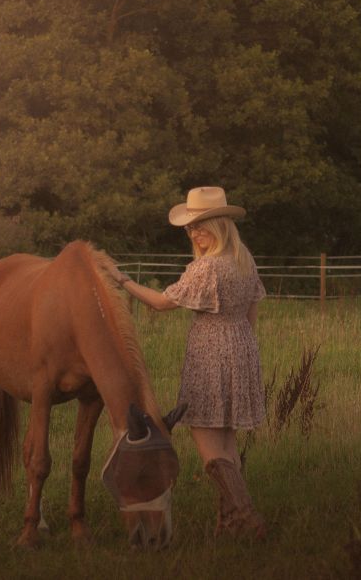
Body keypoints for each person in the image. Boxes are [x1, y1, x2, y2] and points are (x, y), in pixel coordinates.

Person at [108, 185, 267, 538]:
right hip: (242, 349)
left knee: (208, 445)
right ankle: (229, 523)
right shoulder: (245, 259)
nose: (195, 233)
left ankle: (247, 517)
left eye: (201, 225)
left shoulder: (207, 267)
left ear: (221, 224)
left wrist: (123, 280)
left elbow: (161, 303)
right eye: (190, 228)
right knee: (226, 443)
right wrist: (239, 347)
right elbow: (252, 312)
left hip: (210, 357)